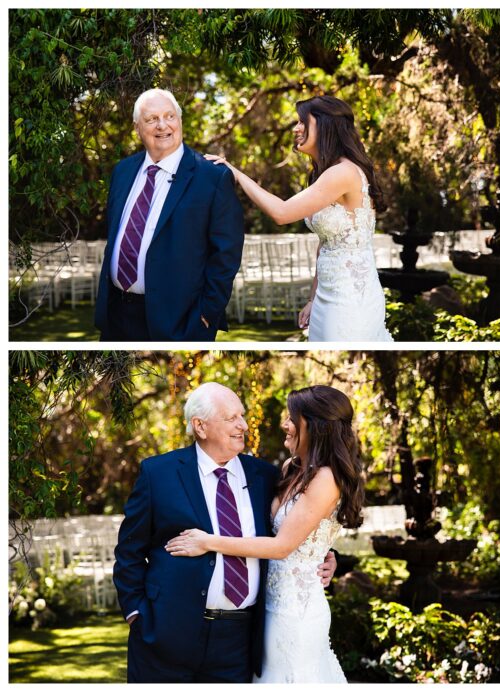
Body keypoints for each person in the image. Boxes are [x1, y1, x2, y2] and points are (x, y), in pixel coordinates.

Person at [112, 382, 336, 683]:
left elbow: (296, 525)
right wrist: (136, 614)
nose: (243, 425)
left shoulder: (265, 476)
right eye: (232, 418)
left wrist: (328, 556)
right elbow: (129, 551)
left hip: (239, 642)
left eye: (241, 416)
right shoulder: (158, 474)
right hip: (166, 634)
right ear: (200, 426)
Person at [166, 385, 365, 683]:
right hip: (264, 611)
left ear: (314, 425)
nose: (284, 423)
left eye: (292, 417)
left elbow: (283, 545)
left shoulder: (326, 478)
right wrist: (323, 552)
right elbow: (274, 527)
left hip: (297, 613)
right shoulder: (290, 468)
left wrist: (207, 542)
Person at [205, 96, 392, 342]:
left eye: (303, 121)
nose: (296, 128)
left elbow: (282, 213)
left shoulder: (342, 173)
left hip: (349, 300)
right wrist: (313, 299)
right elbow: (327, 244)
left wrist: (236, 173)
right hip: (327, 296)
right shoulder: (328, 172)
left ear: (325, 125)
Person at [95, 89, 245, 341]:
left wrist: (208, 312)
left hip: (179, 321)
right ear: (137, 127)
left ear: (180, 120)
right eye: (151, 119)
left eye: (170, 116)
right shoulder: (122, 171)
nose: (162, 125)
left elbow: (227, 254)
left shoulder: (211, 177)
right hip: (116, 316)